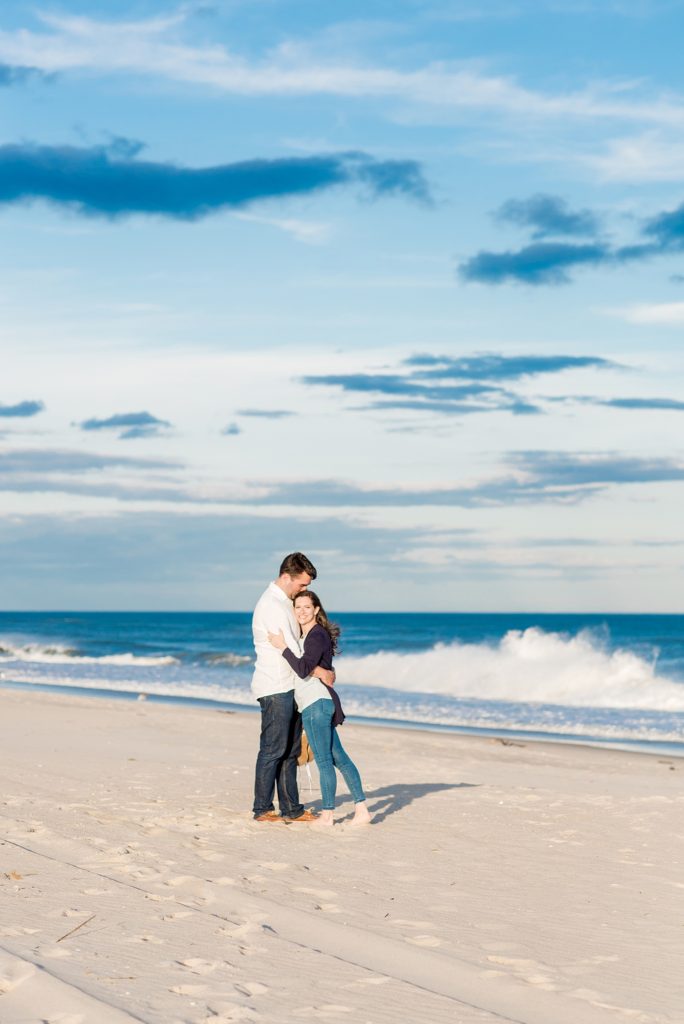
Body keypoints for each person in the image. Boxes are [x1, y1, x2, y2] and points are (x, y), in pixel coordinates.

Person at [268, 590, 371, 831]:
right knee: (340, 759)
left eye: (307, 607)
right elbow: (316, 667)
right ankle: (362, 809)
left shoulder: (315, 635)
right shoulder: (311, 636)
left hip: (316, 704)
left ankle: (327, 815)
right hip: (320, 703)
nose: (302, 611)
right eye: (298, 607)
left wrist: (282, 647)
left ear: (316, 610)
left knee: (324, 761)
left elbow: (303, 668)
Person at [251, 552, 334, 823]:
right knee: (273, 749)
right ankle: (262, 809)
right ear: (287, 577)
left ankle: (291, 808)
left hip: (290, 686)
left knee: (290, 752)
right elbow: (295, 650)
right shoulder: (272, 606)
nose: (305, 590)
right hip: (275, 686)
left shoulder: (283, 602)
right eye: (302, 585)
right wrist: (320, 670)